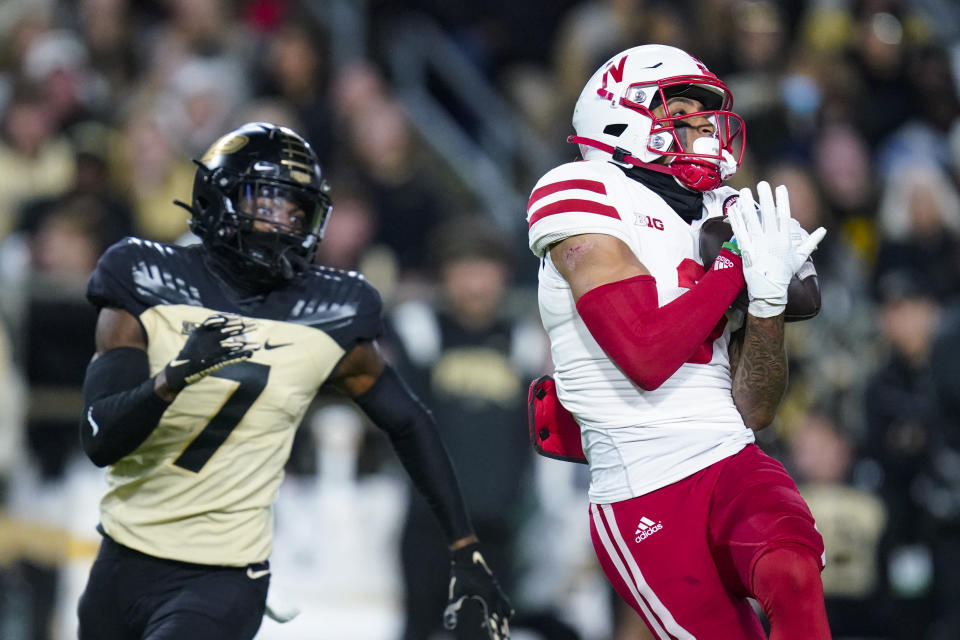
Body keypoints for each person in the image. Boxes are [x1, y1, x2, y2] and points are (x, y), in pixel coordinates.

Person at [74, 122, 513, 640]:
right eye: (265, 203)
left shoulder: (329, 313)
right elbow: (101, 439)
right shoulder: (145, 276)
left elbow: (410, 423)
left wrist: (465, 549)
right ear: (221, 197)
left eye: (294, 210)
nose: (280, 222)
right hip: (121, 559)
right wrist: (172, 380)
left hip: (223, 575)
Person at [525, 44, 830, 639]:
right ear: (622, 117)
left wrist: (765, 305)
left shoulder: (725, 208)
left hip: (730, 452)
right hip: (644, 484)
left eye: (704, 115)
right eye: (681, 113)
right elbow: (645, 354)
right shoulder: (583, 191)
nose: (701, 130)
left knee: (794, 570)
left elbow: (757, 409)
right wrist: (734, 265)